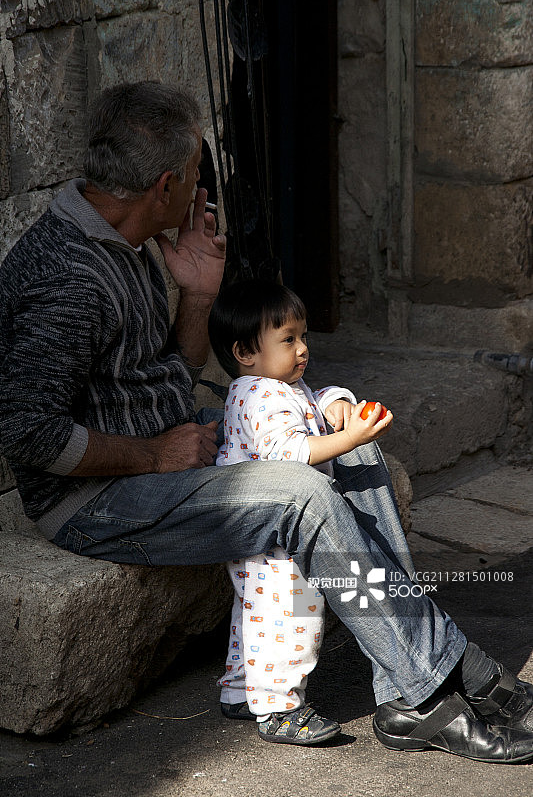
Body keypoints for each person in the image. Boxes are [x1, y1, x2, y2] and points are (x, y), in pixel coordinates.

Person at [0, 81, 532, 761]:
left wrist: (196, 295)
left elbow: (167, 374)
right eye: (195, 173)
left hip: (167, 451)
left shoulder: (125, 243)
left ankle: (404, 689)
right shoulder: (68, 276)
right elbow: (28, 432)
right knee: (298, 489)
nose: (202, 188)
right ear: (164, 184)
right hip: (94, 500)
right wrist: (152, 457)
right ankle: (439, 687)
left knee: (354, 452)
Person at [210, 279, 383, 742]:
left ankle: (241, 691)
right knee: (291, 615)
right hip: (276, 531)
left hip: (257, 529)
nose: (302, 349)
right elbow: (291, 451)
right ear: (245, 351)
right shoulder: (259, 395)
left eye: (302, 336)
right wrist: (351, 440)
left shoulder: (273, 386)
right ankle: (281, 709)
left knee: (257, 611)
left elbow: (311, 399)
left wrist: (337, 401)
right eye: (288, 339)